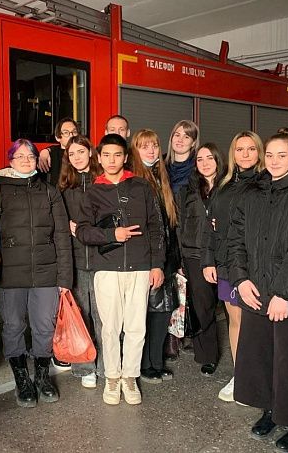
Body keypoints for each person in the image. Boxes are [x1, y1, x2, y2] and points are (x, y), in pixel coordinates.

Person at [228, 130, 288, 452]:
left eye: (282, 155)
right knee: (262, 358)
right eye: (269, 155)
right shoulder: (252, 194)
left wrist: (283, 294)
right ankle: (272, 409)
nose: (274, 161)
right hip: (256, 291)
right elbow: (236, 240)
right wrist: (241, 280)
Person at [76, 134, 165, 406]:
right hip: (107, 269)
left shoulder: (141, 186)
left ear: (125, 157)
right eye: (106, 155)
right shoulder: (92, 192)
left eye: (117, 155)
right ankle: (112, 377)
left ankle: (130, 377)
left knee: (136, 327)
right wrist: (111, 234)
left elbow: (156, 227)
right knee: (110, 328)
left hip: (140, 267)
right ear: (99, 158)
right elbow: (82, 231)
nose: (112, 160)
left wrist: (157, 265)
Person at [0, 139, 73, 408]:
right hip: (10, 275)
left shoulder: (49, 192)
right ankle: (22, 379)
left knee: (44, 326)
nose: (25, 160)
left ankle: (43, 377)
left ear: (37, 160)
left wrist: (64, 278)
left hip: (46, 273)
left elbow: (61, 236)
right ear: (10, 161)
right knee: (13, 326)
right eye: (19, 156)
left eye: (30, 156)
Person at [201, 131, 264, 402]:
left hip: (255, 267)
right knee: (235, 321)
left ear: (259, 153)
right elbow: (210, 227)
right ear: (233, 153)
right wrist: (208, 260)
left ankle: (259, 377)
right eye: (240, 149)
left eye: (251, 149)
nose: (245, 154)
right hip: (227, 264)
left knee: (255, 324)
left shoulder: (266, 184)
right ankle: (240, 375)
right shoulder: (224, 186)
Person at [130, 129, 179, 384]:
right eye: (144, 146)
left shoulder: (160, 175)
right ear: (135, 150)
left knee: (163, 310)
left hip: (165, 257)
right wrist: (153, 263)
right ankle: (145, 365)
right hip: (148, 259)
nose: (151, 150)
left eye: (154, 145)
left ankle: (156, 362)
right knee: (148, 313)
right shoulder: (135, 180)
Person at [57, 135, 103, 388]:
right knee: (81, 314)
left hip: (102, 258)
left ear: (90, 152)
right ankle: (85, 367)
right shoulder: (64, 188)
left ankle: (107, 366)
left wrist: (89, 230)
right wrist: (66, 226)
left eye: (81, 152)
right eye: (71, 154)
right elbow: (56, 221)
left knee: (104, 315)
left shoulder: (103, 181)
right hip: (76, 259)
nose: (76, 157)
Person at [178, 142, 225, 376]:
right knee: (203, 305)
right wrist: (181, 257)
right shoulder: (188, 189)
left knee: (227, 307)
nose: (205, 163)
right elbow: (180, 224)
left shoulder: (228, 187)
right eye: (200, 159)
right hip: (194, 254)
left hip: (225, 253)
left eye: (209, 158)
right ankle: (207, 355)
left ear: (218, 160)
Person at [163, 119, 199, 359]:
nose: (180, 139)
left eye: (187, 136)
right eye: (177, 134)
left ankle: (191, 332)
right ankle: (171, 336)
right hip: (166, 235)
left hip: (188, 235)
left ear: (193, 142)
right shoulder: (162, 166)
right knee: (170, 287)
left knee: (191, 286)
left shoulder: (198, 167)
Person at [37, 117, 80, 185]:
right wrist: (46, 151)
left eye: (74, 132)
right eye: (66, 132)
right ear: (57, 138)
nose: (71, 135)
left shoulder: (84, 153)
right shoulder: (51, 155)